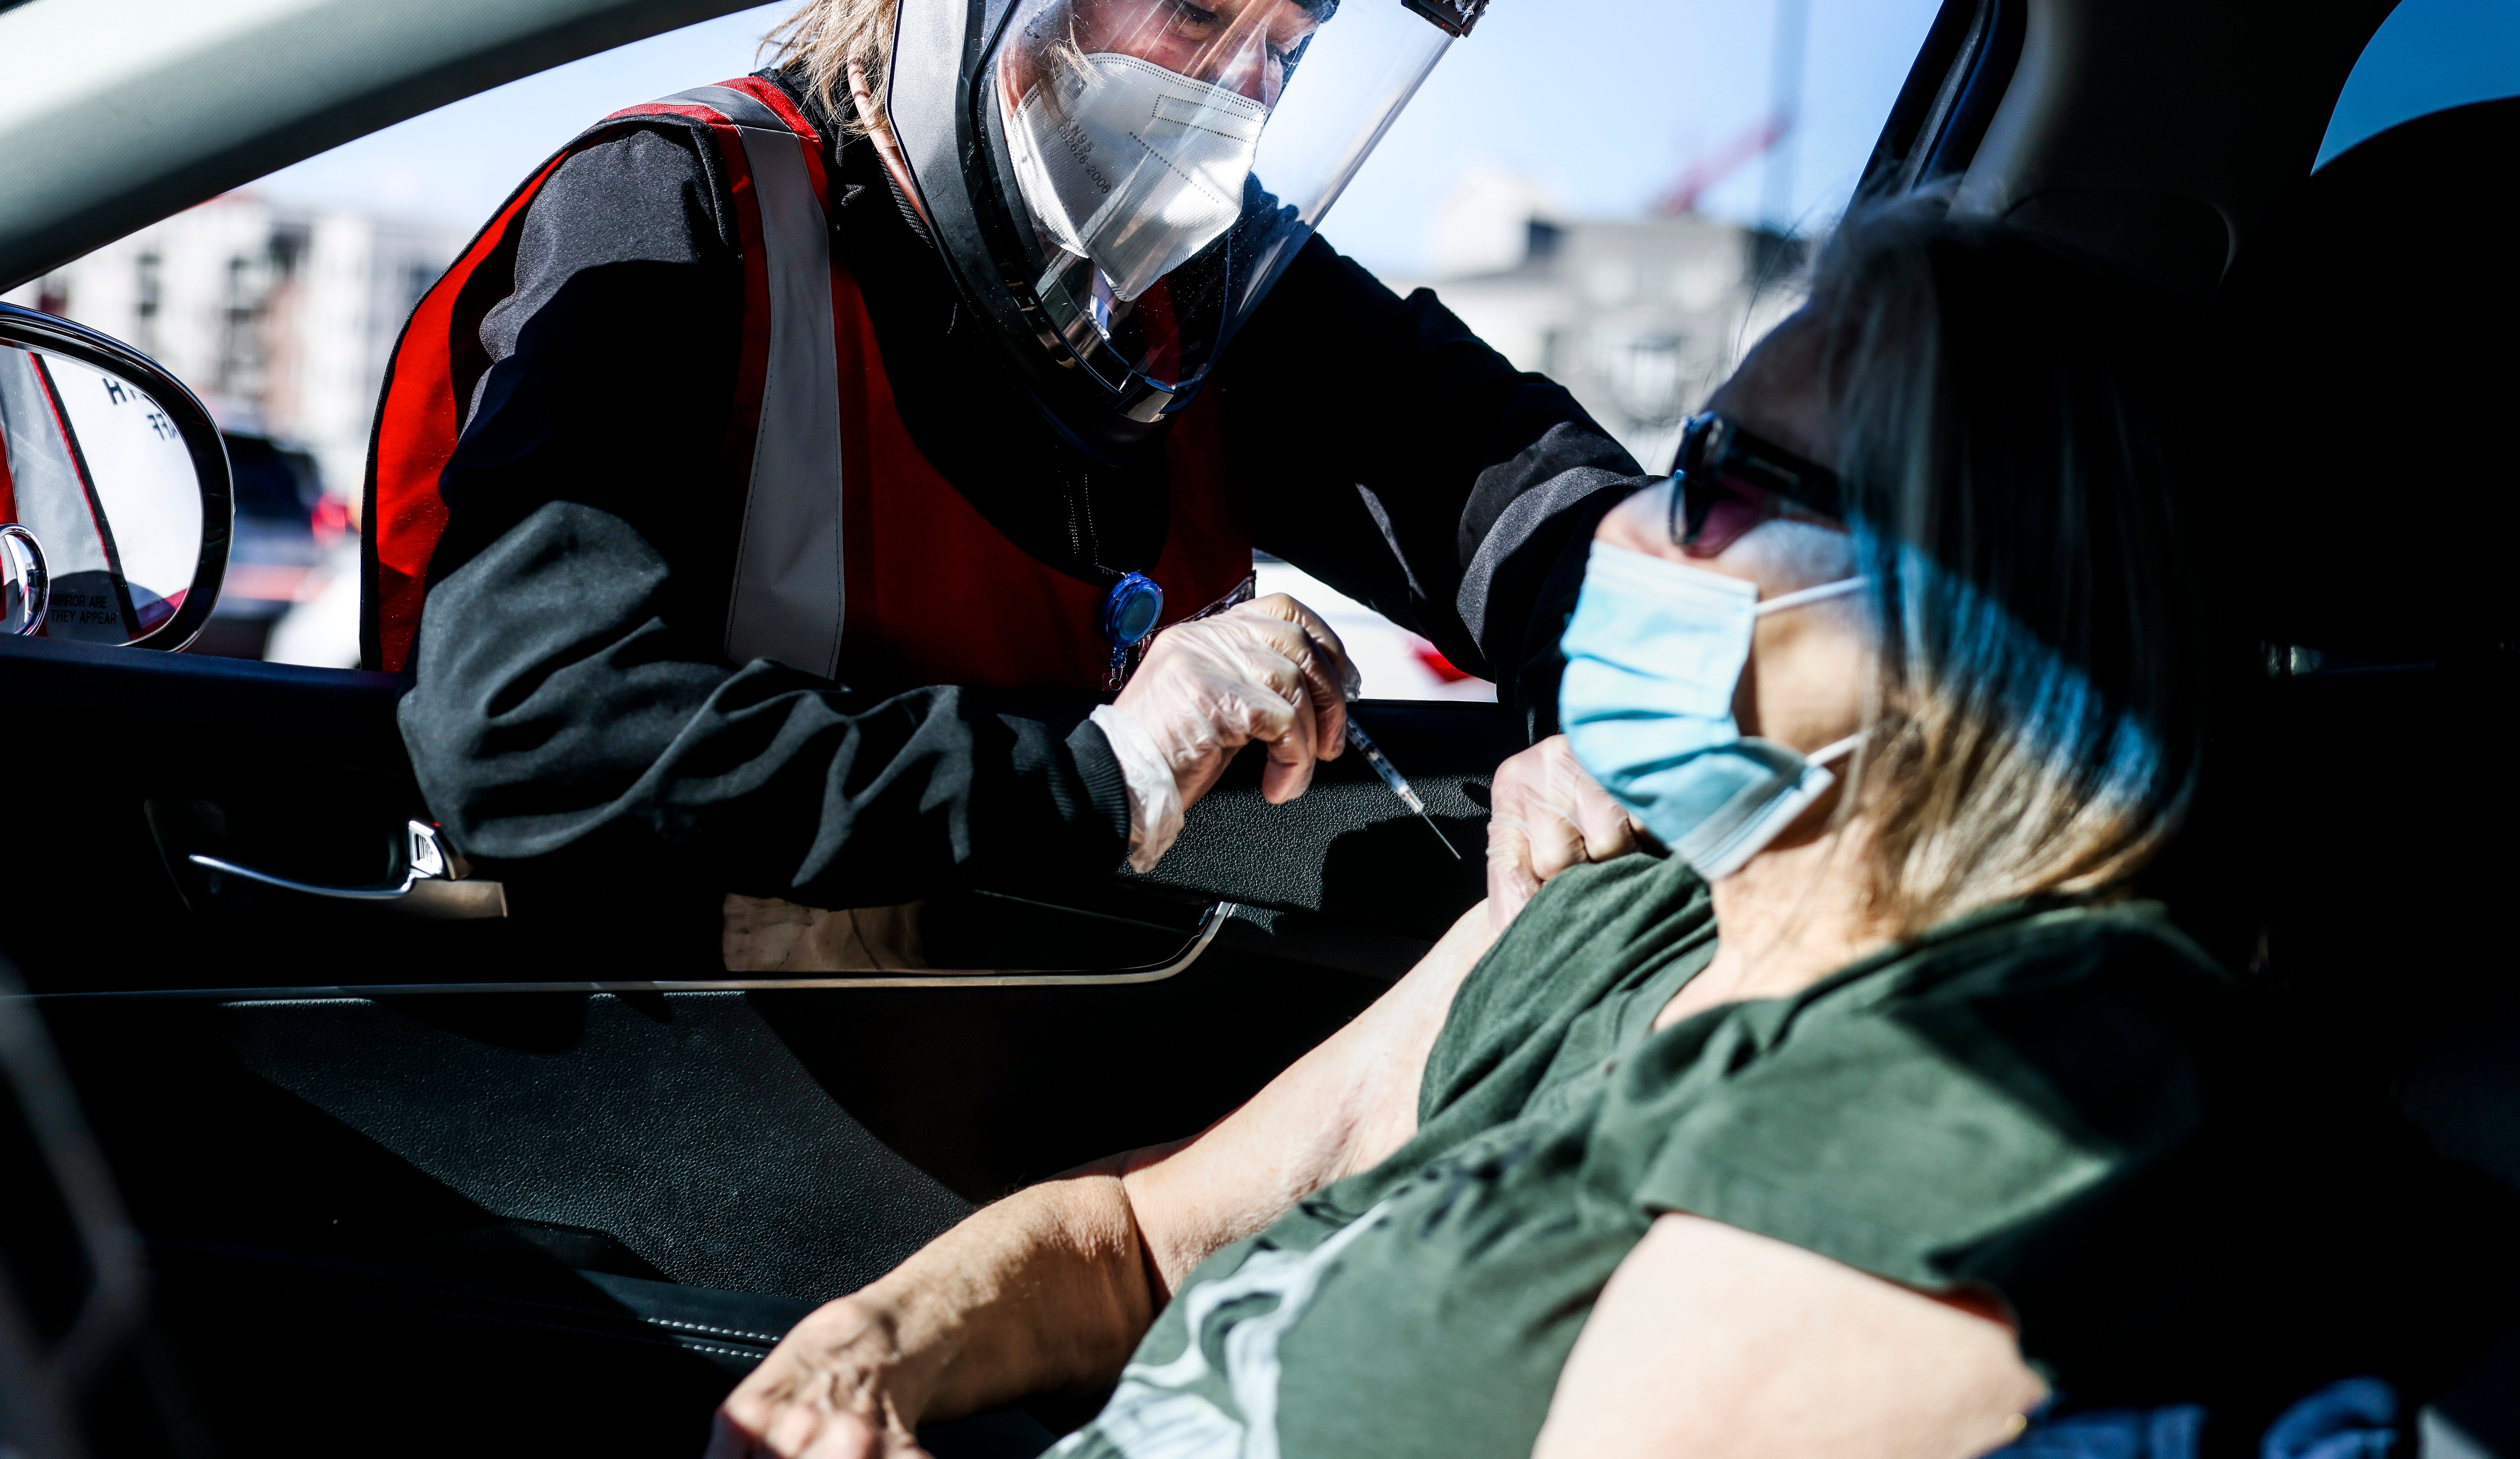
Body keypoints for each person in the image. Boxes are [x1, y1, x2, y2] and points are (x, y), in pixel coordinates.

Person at [701, 204, 2312, 1458]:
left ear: (1966, 609)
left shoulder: (2009, 1085)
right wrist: (867, 1349)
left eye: (1716, 481)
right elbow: (1134, 1241)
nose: (1620, 523)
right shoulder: (1614, 914)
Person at [364, 0, 1643, 965]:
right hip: (699, 1115)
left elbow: (1501, 480)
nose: (1232, 102)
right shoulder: (686, 215)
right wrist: (1098, 775)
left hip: (1063, 1082)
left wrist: (1624, 691)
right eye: (1194, 15)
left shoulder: (1202, 289)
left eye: (1282, 54)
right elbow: (526, 726)